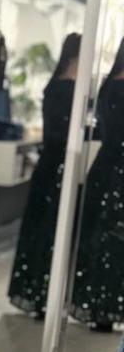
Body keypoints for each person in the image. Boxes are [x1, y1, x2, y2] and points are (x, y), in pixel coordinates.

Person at [8, 33, 80, 317]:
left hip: (50, 166)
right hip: (58, 168)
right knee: (50, 229)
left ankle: (38, 294)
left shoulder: (55, 88)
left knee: (43, 229)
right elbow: (62, 133)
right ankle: (42, 295)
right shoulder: (68, 90)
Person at [70, 37, 124, 331]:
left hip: (105, 167)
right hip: (116, 171)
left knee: (101, 237)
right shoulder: (116, 87)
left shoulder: (107, 86)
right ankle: (105, 307)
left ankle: (99, 305)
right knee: (111, 240)